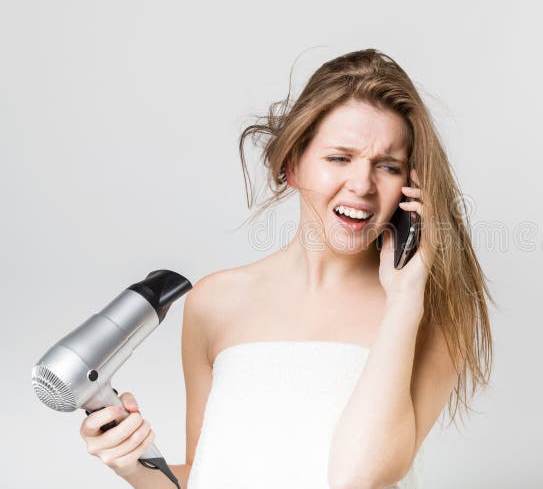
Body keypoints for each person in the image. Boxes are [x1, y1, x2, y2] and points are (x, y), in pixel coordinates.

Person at [79, 48, 494, 488]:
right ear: (292, 165)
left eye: (387, 167)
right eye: (339, 158)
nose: (362, 184)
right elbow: (206, 476)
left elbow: (360, 477)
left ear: (410, 189)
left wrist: (405, 299)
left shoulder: (433, 317)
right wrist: (133, 463)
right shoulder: (214, 302)